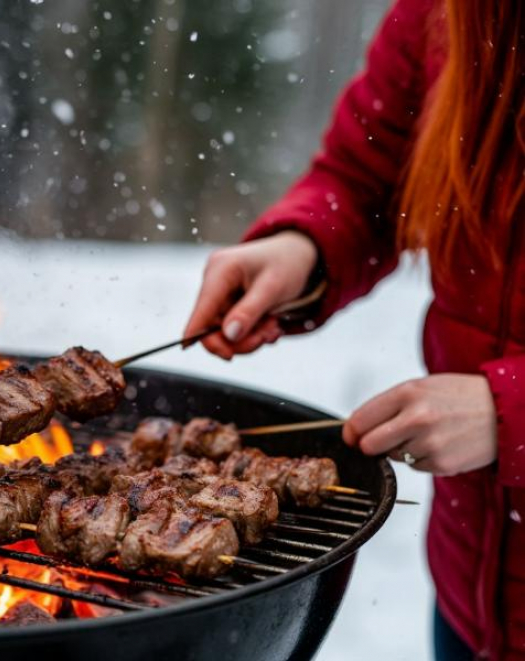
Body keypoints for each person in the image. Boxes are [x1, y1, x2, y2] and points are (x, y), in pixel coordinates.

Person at [183, 0, 525, 659]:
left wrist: (508, 410)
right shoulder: (444, 14)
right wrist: (302, 248)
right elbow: (368, 174)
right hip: (473, 591)